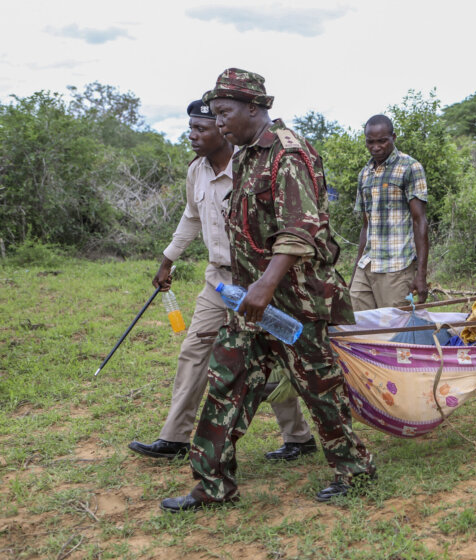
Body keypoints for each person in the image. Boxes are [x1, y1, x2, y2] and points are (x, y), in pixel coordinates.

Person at [160, 69, 375, 512]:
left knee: (320, 389)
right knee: (226, 381)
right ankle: (212, 485)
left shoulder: (288, 155)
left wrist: (263, 286)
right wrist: (247, 290)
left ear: (253, 109)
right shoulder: (244, 158)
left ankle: (354, 469)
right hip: (251, 302)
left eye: (224, 113)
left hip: (296, 302)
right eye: (215, 114)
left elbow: (300, 230)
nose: (219, 123)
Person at [128, 100, 315, 463]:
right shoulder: (196, 171)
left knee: (274, 357)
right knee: (194, 351)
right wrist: (167, 261)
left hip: (260, 280)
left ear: (221, 128)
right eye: (191, 129)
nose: (192, 136)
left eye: (201, 129)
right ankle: (175, 437)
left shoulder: (253, 166)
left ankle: (298, 438)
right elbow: (190, 216)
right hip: (217, 281)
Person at [351, 114, 429, 310]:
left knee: (394, 329)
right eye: (370, 142)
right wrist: (355, 270)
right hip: (368, 264)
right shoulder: (365, 173)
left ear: (393, 138)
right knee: (356, 323)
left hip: (397, 266)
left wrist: (421, 274)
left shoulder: (410, 167)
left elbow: (420, 221)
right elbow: (366, 225)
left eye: (382, 141)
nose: (376, 147)